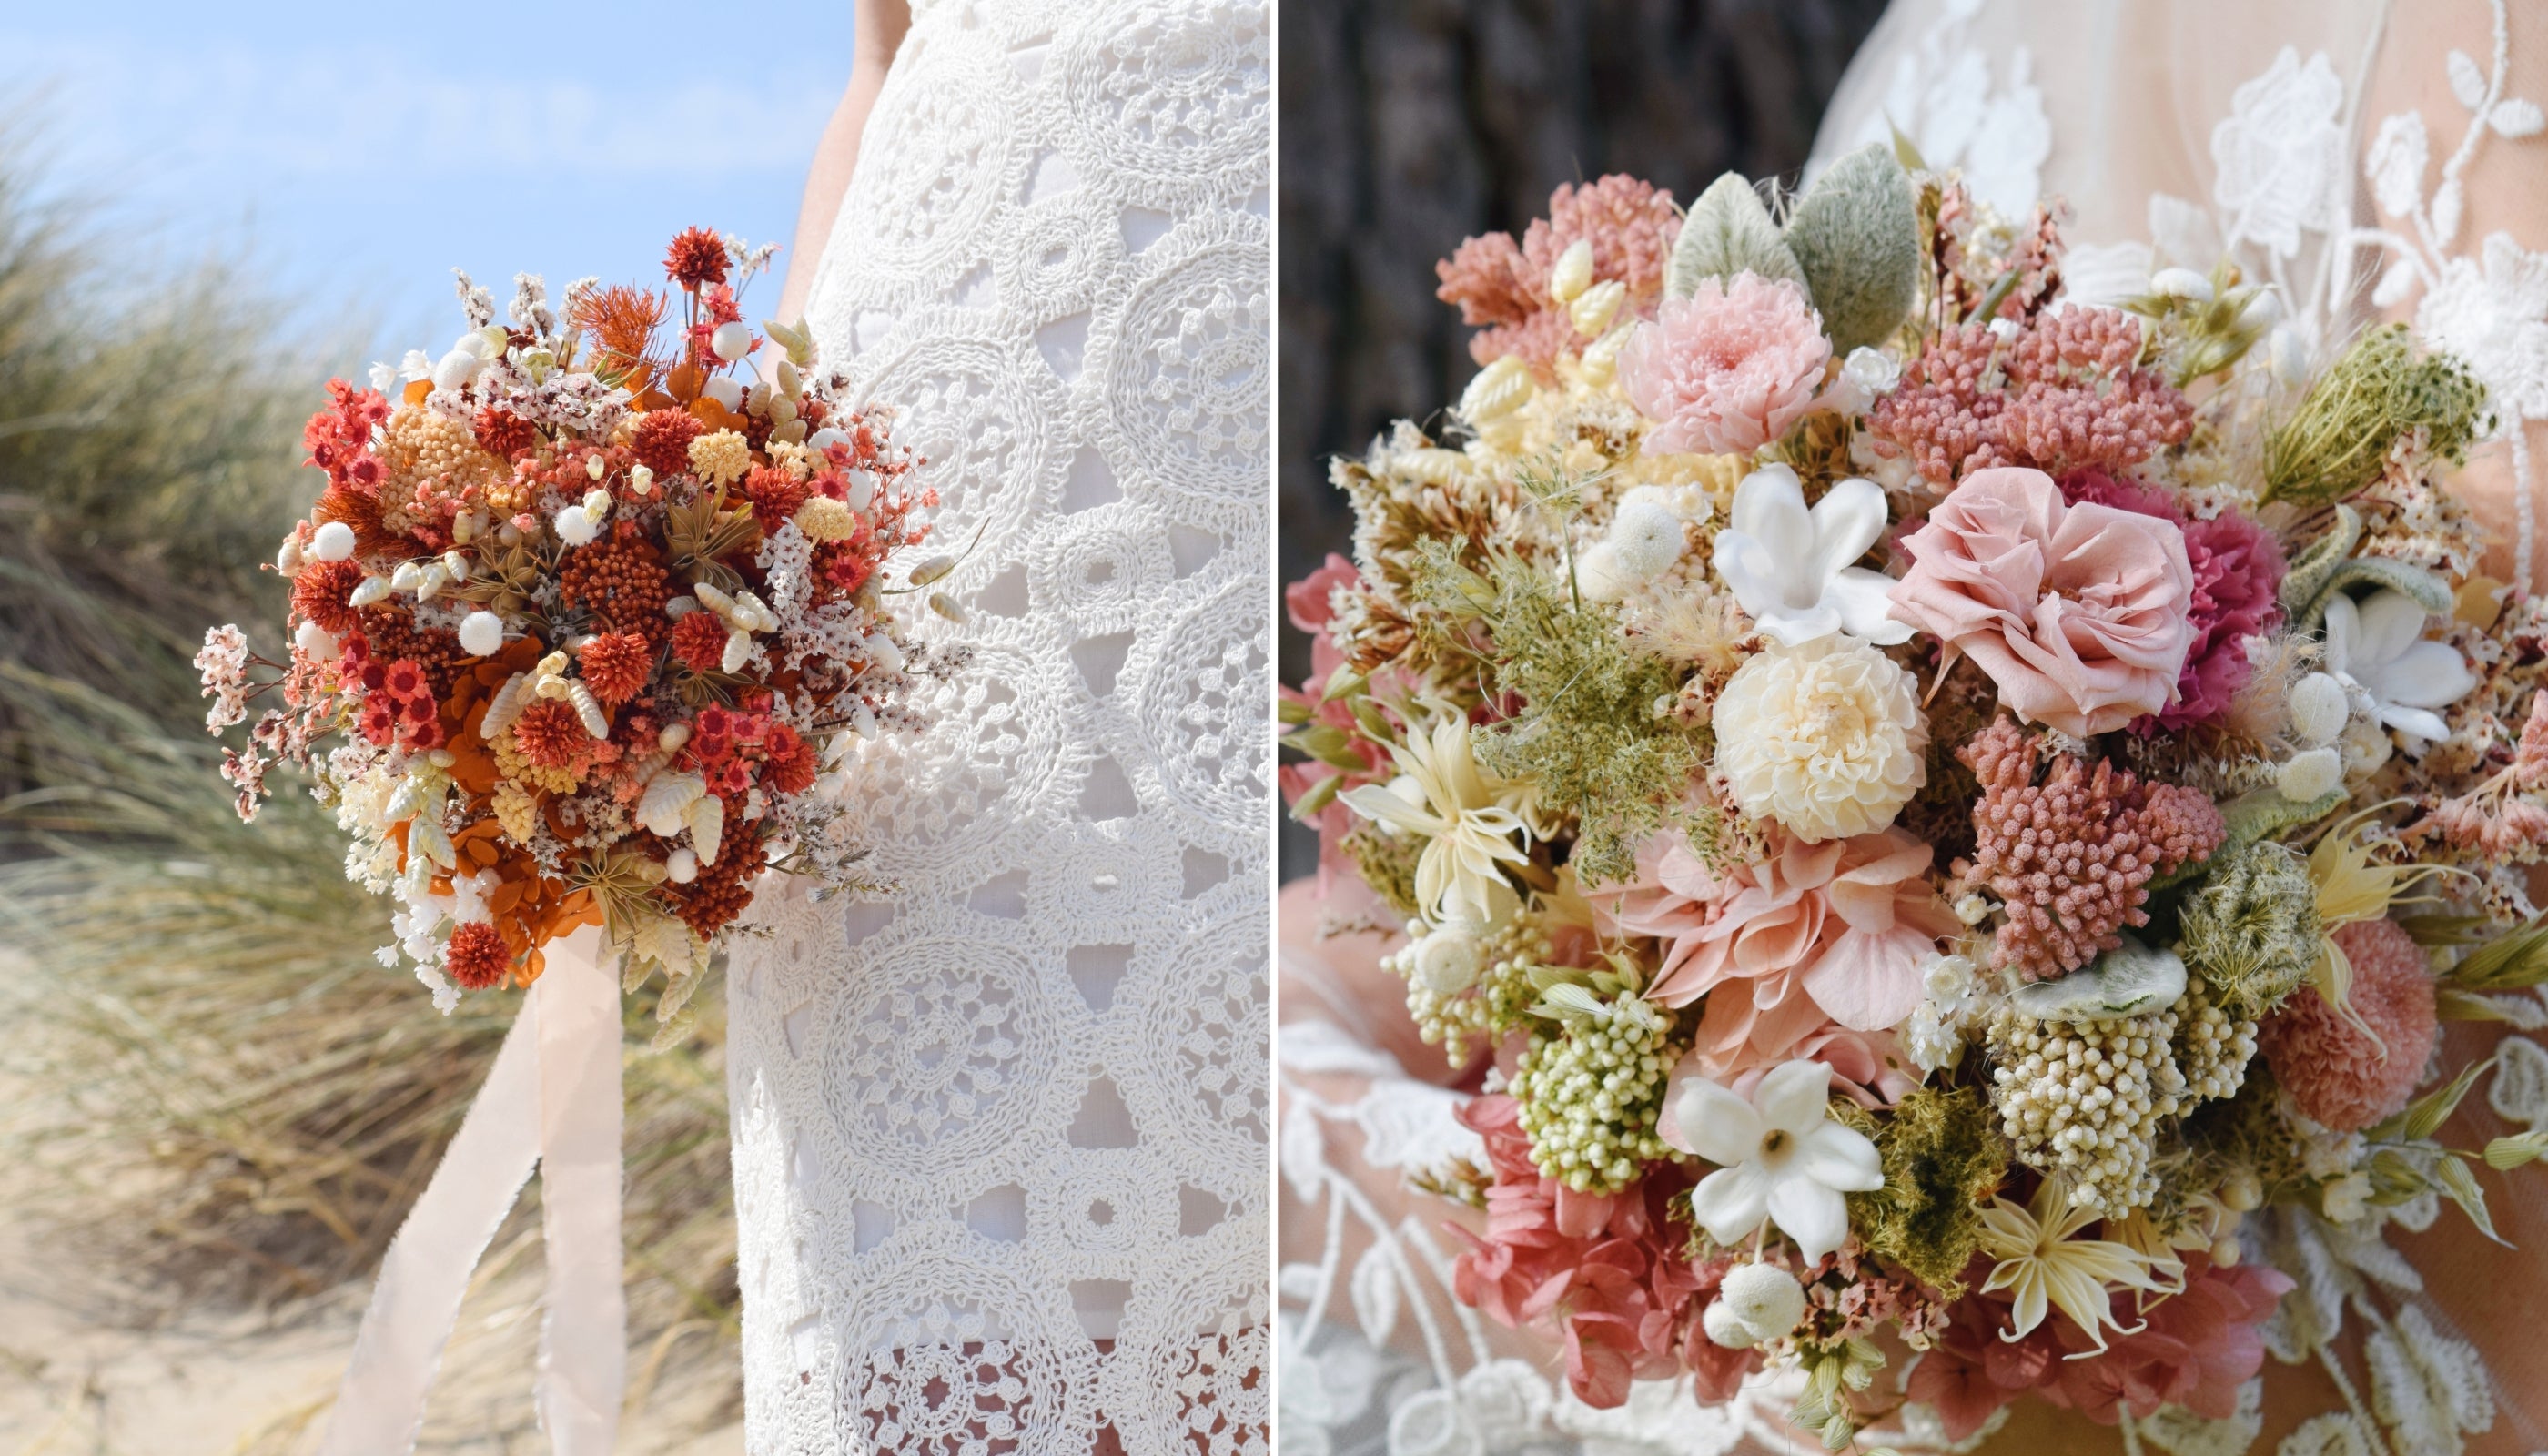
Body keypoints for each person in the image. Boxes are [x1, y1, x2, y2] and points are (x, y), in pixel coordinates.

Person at [1277, 3, 2548, 1451]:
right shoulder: (1932, 35)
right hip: (1879, 1255)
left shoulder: (2483, 45)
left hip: (2238, 1286)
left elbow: (2484, 762)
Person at [729, 3, 1272, 1450]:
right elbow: (878, 51)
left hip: (1242, 357)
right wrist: (744, 497)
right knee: (924, 1193)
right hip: (922, 416)